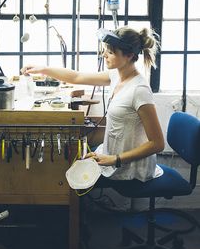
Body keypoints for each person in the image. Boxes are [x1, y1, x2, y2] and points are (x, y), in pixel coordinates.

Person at [21, 26, 164, 188]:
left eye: (110, 52)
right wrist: (43, 69)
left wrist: (115, 159)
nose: (104, 55)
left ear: (129, 55)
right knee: (74, 163)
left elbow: (157, 143)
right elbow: (77, 77)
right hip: (113, 153)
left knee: (71, 179)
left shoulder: (139, 90)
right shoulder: (117, 75)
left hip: (130, 167)